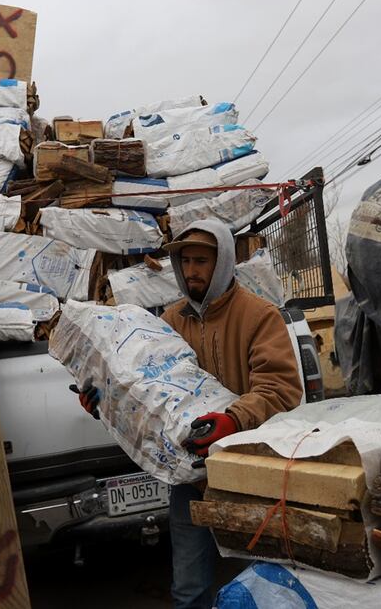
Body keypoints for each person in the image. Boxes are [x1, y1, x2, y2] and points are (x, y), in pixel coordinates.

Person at [76, 219, 303, 609]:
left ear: (224, 262)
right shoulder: (168, 322)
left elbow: (280, 388)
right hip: (190, 479)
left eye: (202, 261)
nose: (192, 270)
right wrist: (105, 401)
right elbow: (144, 392)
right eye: (185, 262)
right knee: (189, 588)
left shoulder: (259, 315)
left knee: (260, 583)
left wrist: (234, 418)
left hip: (249, 474)